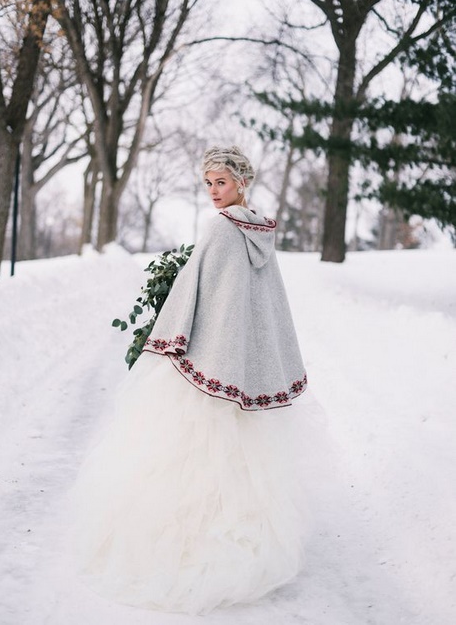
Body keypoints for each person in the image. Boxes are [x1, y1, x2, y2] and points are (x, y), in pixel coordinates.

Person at [71, 145, 318, 615]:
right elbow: (249, 307)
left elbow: (196, 288)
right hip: (239, 369)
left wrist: (169, 332)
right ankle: (250, 547)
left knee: (187, 458)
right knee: (239, 461)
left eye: (220, 183)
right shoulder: (260, 232)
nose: (213, 193)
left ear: (241, 183)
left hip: (206, 365)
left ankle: (188, 549)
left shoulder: (223, 229)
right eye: (207, 184)